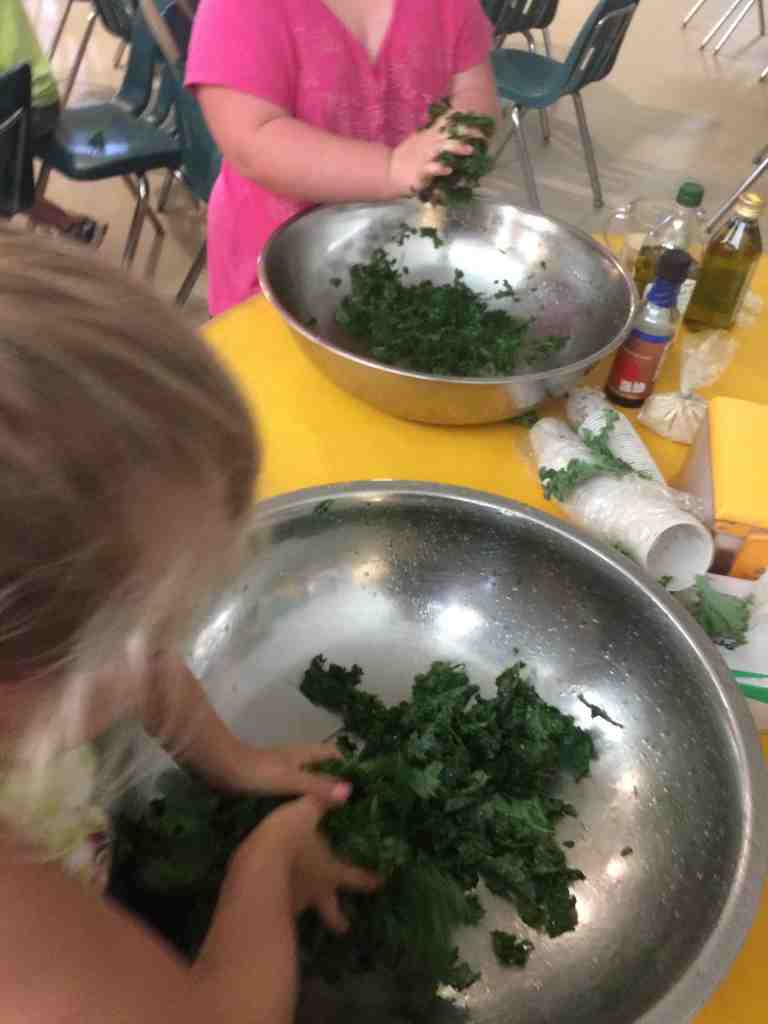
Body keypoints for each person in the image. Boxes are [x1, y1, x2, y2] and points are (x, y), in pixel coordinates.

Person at [0, 230, 379, 1023]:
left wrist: (237, 761)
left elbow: (140, 672)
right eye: (146, 627)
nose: (164, 651)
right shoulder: (22, 938)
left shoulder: (34, 674)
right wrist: (266, 865)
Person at [185, 0, 498, 315]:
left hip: (406, 253)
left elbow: (472, 88)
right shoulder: (241, 8)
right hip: (275, 271)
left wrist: (462, 133)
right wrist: (389, 170)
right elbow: (252, 141)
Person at [1, 0, 107, 244]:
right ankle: (69, 224)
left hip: (25, 103)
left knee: (5, 179)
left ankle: (67, 223)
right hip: (28, 97)